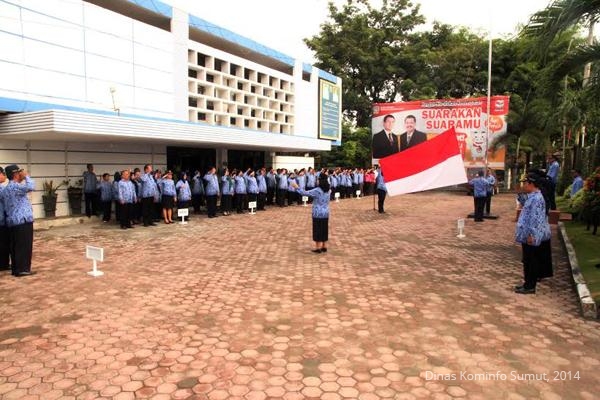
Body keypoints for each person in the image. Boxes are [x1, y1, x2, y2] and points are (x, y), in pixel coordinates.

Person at [515, 173, 552, 294]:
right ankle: (527, 283)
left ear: (531, 184)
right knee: (527, 260)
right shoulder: (533, 196)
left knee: (532, 261)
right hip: (526, 234)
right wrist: (519, 193)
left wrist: (532, 234)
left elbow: (536, 219)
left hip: (531, 235)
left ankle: (530, 286)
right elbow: (524, 203)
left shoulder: (537, 198)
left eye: (525, 183)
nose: (524, 185)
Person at [3, 165, 35, 276]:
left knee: (16, 246)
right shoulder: (15, 187)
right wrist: (26, 177)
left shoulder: (7, 188)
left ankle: (16, 269)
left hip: (13, 221)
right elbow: (31, 186)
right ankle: (23, 269)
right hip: (22, 221)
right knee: (24, 246)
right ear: (15, 174)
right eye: (19, 172)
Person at [292, 174, 331, 253]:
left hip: (317, 212)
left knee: (317, 229)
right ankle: (324, 246)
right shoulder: (329, 190)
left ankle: (318, 248)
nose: (316, 181)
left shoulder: (317, 190)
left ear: (320, 181)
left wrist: (296, 187)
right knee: (324, 229)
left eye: (318, 179)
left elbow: (305, 193)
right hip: (326, 212)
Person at [0, 167, 10, 272]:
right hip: (2, 220)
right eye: (3, 173)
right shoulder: (2, 189)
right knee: (4, 243)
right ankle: (3, 264)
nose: (5, 175)